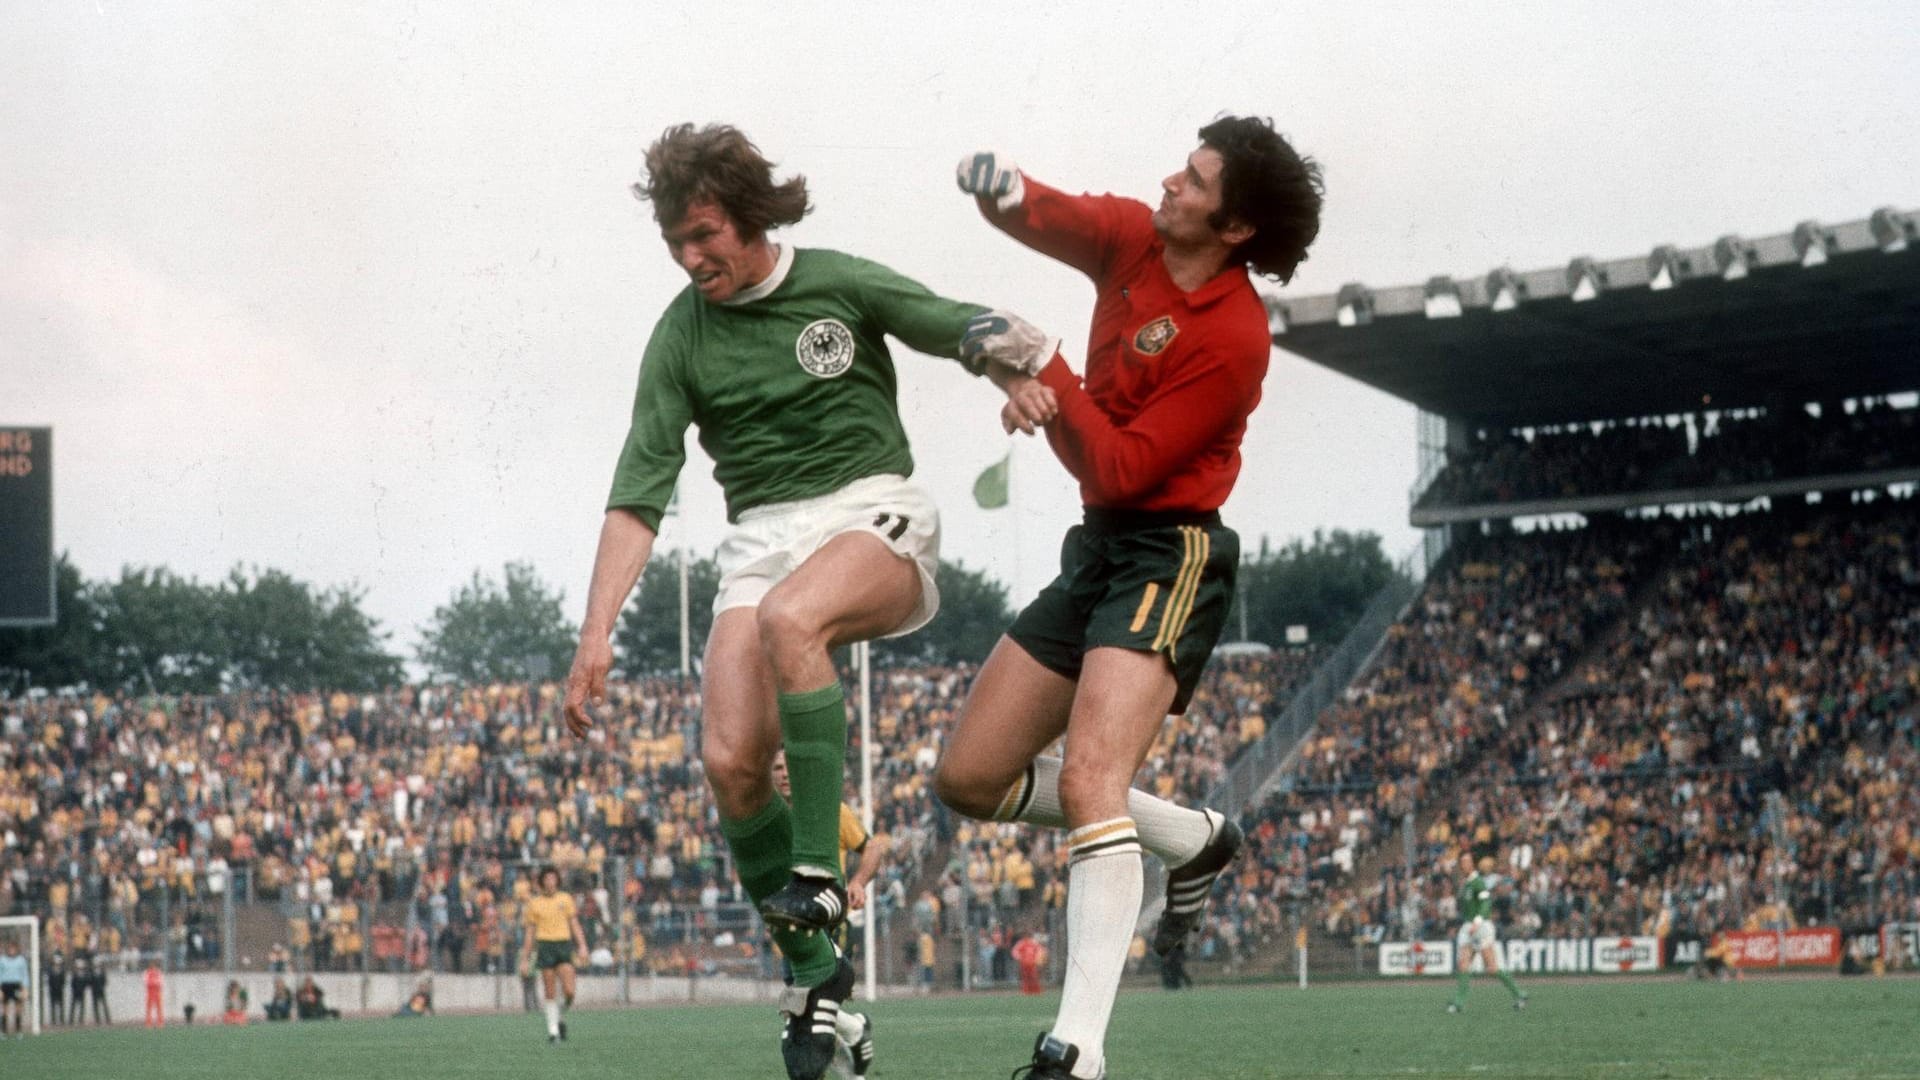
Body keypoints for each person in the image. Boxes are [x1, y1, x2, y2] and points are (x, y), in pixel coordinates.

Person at [562, 121, 1056, 1080]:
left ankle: (823, 878)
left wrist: (1010, 366)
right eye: (675, 242)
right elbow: (638, 493)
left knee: (795, 618)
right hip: (761, 539)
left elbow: (949, 319)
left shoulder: (833, 282)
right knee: (729, 761)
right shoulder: (680, 332)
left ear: (750, 221)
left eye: (705, 234)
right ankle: (821, 986)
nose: (690, 256)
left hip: (872, 513)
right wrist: (594, 636)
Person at [935, 116, 1323, 1080]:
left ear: (1233, 229)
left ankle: (1078, 1051)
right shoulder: (1137, 238)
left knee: (1088, 782)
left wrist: (1043, 372)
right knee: (969, 780)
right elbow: (1052, 214)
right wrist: (1000, 187)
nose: (1170, 183)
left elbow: (1119, 471)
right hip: (1102, 547)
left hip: (1171, 551)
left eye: (1193, 181)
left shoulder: (1233, 340)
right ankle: (1194, 839)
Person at [773, 751, 882, 1080]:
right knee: (805, 1007)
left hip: (826, 920)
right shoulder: (770, 821)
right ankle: (856, 1030)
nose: (785, 773)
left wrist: (859, 882)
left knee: (803, 1011)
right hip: (789, 925)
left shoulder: (831, 812)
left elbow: (872, 847)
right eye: (778, 767)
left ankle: (848, 1056)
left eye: (791, 765)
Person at [1448, 855, 1527, 1013]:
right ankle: (1459, 1002)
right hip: (1468, 926)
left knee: (1491, 967)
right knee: (1463, 964)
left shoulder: (1478, 882)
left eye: (1467, 862)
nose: (1464, 865)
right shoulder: (1466, 884)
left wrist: (1477, 920)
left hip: (1481, 926)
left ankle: (1519, 993)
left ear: (1472, 864)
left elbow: (1485, 901)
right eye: (1462, 862)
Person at [520, 866, 587, 1044]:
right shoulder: (534, 904)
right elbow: (529, 933)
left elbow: (575, 924)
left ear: (557, 880)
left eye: (553, 878)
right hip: (545, 947)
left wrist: (582, 945)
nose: (550, 882)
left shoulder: (565, 899)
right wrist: (525, 959)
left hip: (563, 946)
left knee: (569, 991)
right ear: (542, 882)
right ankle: (553, 1032)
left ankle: (559, 1017)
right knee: (549, 990)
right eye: (547, 878)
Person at [0, 939, 26, 1037]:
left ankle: (18, 1031)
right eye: (10, 948)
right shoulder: (2, 960)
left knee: (18, 1009)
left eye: (13, 948)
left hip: (16, 985)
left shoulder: (21, 960)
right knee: (4, 1009)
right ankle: (4, 1031)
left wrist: (25, 988)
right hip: (5, 986)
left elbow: (24, 975)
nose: (11, 950)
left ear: (16, 949)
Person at [43, 948, 65, 1026]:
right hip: (52, 989)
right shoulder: (50, 970)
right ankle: (53, 1020)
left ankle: (61, 1020)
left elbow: (63, 980)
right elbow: (49, 980)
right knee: (52, 1005)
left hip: (60, 989)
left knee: (61, 1005)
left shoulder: (62, 970)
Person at [143, 959, 165, 1028]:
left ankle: (160, 1022)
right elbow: (145, 981)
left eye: (154, 964)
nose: (152, 966)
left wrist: (154, 982)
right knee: (149, 1007)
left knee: (159, 1007)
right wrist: (154, 982)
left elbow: (161, 982)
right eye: (151, 964)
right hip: (150, 992)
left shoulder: (158, 972)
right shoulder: (147, 972)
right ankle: (148, 1022)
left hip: (157, 991)